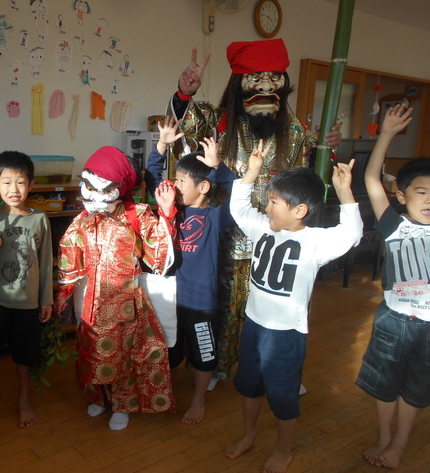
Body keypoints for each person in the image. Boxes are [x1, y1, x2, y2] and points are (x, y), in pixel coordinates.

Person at [167, 40, 342, 386]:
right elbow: (176, 133)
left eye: (273, 78)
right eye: (255, 79)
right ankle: (217, 368)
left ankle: (283, 368)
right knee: (226, 312)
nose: (264, 86)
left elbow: (314, 173)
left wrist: (327, 147)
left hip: (279, 242)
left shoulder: (293, 130)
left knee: (282, 312)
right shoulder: (216, 122)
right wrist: (183, 96)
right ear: (238, 84)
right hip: (228, 239)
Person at [225, 140, 362, 473]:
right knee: (249, 386)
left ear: (300, 210)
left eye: (274, 202)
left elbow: (351, 233)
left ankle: (283, 450)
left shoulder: (314, 241)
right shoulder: (263, 228)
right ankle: (249, 435)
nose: (268, 208)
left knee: (283, 397)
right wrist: (251, 174)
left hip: (286, 336)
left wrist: (345, 193)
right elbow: (239, 210)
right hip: (254, 325)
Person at [54, 146, 176, 431]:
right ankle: (99, 396)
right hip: (90, 302)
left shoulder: (136, 214)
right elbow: (70, 250)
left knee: (124, 356)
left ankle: (122, 405)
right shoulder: (83, 219)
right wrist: (65, 291)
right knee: (91, 352)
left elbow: (158, 254)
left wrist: (167, 214)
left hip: (127, 303)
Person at [145, 116, 236, 424]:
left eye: (182, 180)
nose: (174, 184)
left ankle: (198, 401)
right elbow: (151, 178)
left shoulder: (215, 217)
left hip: (200, 303)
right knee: (168, 350)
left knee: (203, 355)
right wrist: (160, 145)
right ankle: (163, 391)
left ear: (204, 187)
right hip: (169, 300)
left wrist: (217, 165)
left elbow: (238, 193)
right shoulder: (172, 209)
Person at [356, 104, 428, 469]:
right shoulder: (395, 225)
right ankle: (384, 436)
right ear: (402, 196)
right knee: (386, 385)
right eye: (420, 192)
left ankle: (398, 443)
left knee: (417, 390)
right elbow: (371, 181)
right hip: (394, 321)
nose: (429, 199)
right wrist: (385, 135)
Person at [0, 151, 52, 429]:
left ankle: (24, 398)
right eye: (6, 182)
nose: (14, 189)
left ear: (31, 184)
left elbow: (46, 262)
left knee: (25, 355)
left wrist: (45, 298)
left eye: (21, 182)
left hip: (28, 302)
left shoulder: (40, 219)